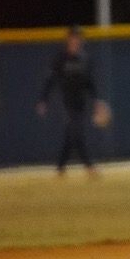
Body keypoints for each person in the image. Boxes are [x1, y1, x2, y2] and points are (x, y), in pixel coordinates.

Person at [37, 26, 108, 177]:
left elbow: (90, 82)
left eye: (79, 38)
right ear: (68, 39)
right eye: (74, 37)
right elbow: (50, 80)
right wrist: (43, 99)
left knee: (72, 134)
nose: (77, 40)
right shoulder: (60, 58)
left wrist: (96, 100)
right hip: (65, 102)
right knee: (76, 132)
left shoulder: (85, 58)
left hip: (80, 101)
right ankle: (89, 166)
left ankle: (60, 168)